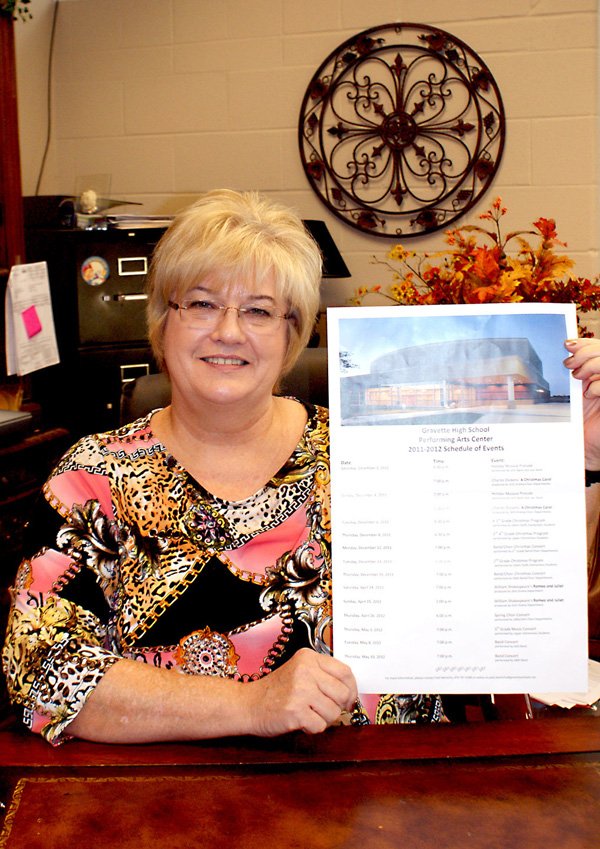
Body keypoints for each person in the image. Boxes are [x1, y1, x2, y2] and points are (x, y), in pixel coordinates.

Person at [1, 190, 444, 746]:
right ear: (163, 321)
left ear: (292, 334)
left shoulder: (374, 453)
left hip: (382, 791)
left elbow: (491, 585)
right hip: (175, 807)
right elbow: (41, 673)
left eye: (259, 310)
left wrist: (581, 455)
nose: (228, 332)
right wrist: (252, 705)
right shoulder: (91, 480)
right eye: (203, 304)